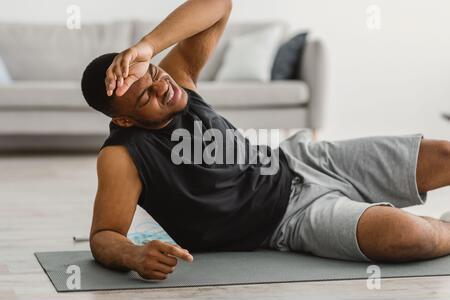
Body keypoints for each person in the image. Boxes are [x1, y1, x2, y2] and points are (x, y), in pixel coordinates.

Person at [81, 0, 450, 280]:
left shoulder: (177, 78)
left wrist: (147, 48)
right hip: (286, 221)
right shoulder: (122, 156)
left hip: (300, 160)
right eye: (146, 96)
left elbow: (220, 4)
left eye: (155, 73)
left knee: (445, 154)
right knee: (411, 236)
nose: (163, 87)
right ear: (125, 119)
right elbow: (105, 234)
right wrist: (133, 256)